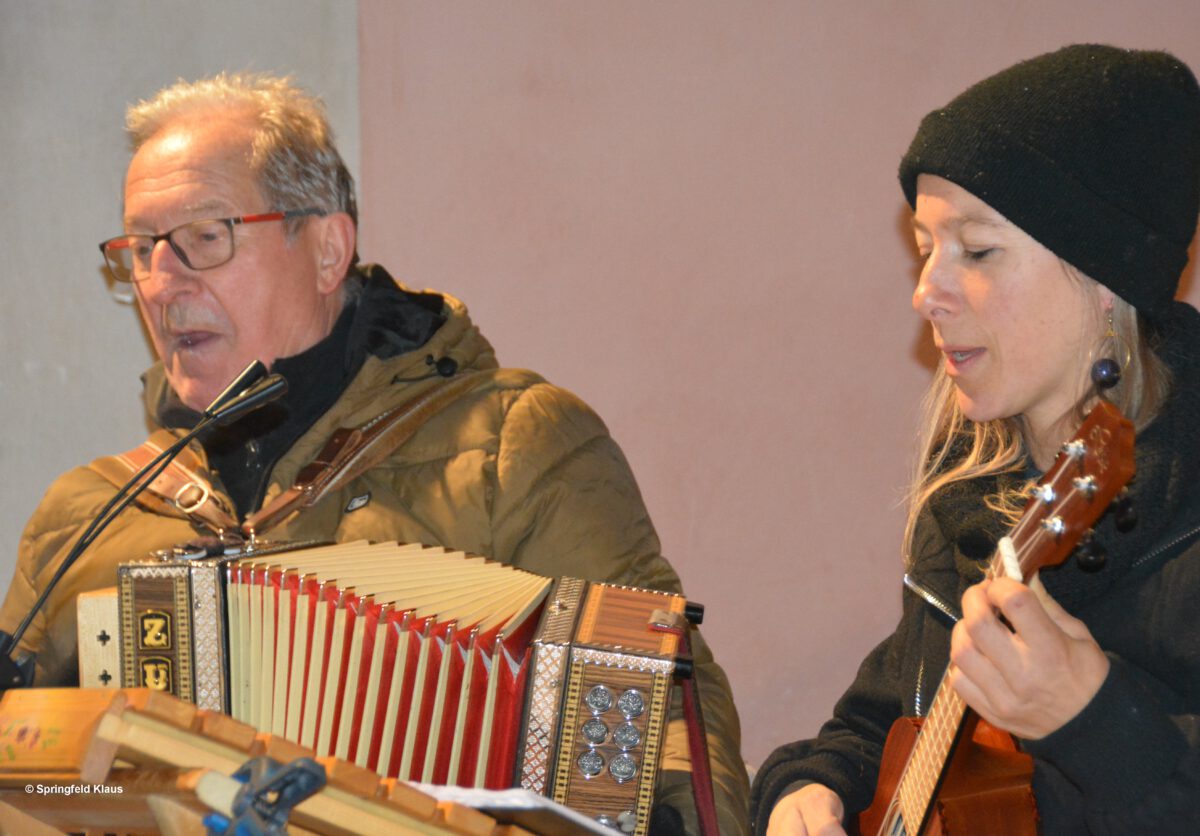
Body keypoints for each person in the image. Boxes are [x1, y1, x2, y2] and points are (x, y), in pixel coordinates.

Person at [0, 73, 750, 834]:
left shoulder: (513, 449)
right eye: (140, 249)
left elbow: (671, 747)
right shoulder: (91, 515)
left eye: (204, 238)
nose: (162, 283)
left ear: (328, 249)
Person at [751, 44, 1200, 834]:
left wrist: (1093, 719)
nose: (926, 292)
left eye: (978, 250)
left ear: (1107, 281)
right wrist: (809, 789)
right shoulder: (970, 494)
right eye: (926, 249)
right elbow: (879, 726)